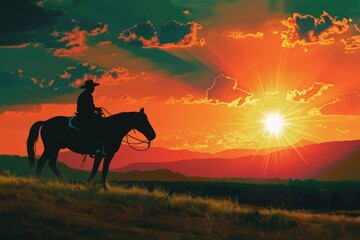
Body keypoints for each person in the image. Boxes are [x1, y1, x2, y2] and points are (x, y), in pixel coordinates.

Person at [76, 79, 103, 153]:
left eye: (93, 87)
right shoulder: (86, 95)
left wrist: (95, 109)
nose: (94, 88)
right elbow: (88, 107)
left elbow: (90, 107)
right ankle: (93, 145)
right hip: (85, 116)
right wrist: (95, 110)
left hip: (84, 114)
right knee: (96, 127)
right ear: (89, 88)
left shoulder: (86, 95)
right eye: (92, 87)